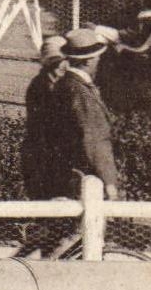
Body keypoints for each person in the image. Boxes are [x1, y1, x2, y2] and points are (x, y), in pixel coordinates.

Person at [52, 27, 121, 200]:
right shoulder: (81, 92)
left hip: (64, 175)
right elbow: (95, 139)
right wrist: (110, 182)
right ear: (88, 61)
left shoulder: (64, 84)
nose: (99, 60)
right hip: (84, 179)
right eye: (98, 57)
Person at [21, 36, 68, 198]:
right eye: (56, 62)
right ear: (47, 63)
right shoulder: (39, 87)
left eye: (64, 60)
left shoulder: (62, 84)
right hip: (42, 155)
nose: (62, 66)